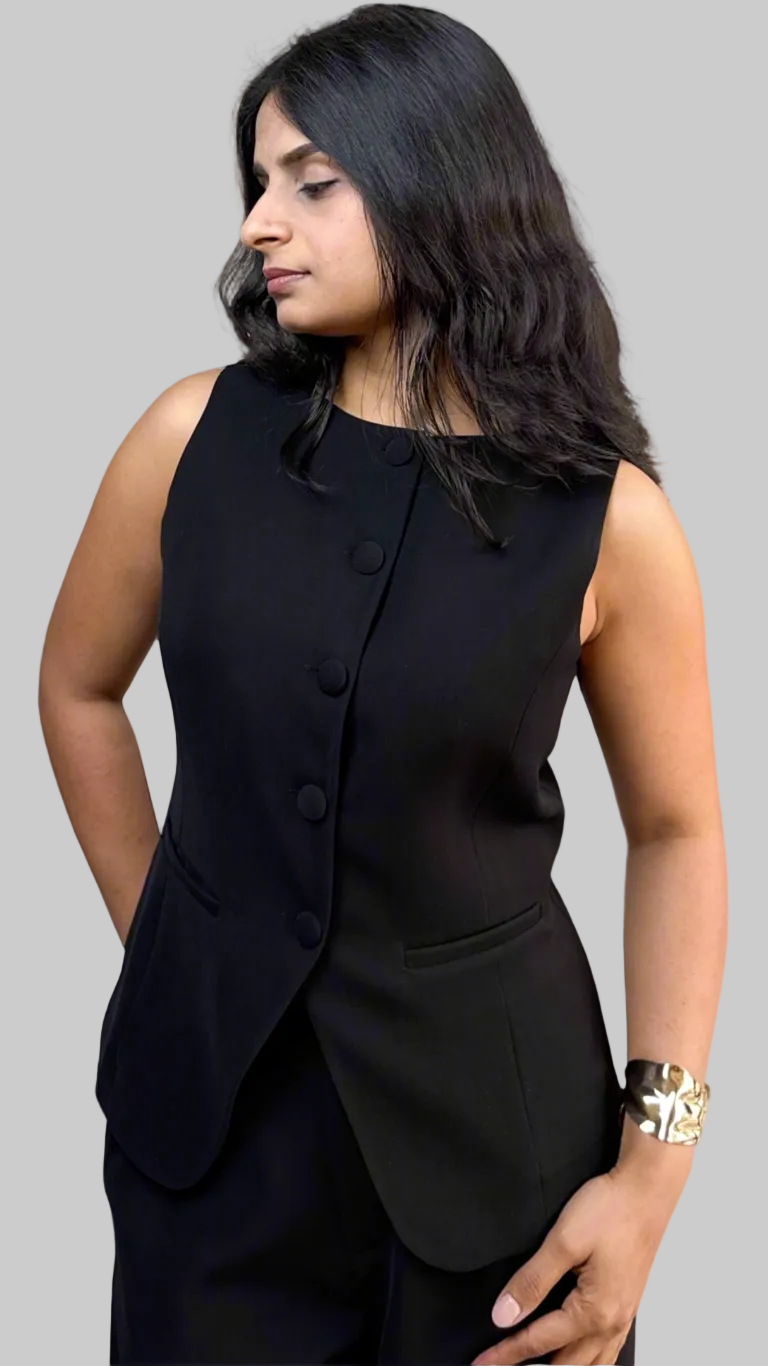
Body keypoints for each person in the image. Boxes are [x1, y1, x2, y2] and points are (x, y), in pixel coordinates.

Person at [38, 5, 726, 1364]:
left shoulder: (608, 519)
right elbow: (76, 687)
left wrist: (654, 1174)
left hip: (509, 1177)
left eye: (312, 183)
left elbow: (678, 830)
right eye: (257, 183)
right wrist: (172, 940)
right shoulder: (188, 438)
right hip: (209, 1145)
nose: (259, 223)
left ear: (439, 182)